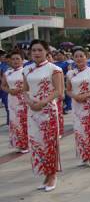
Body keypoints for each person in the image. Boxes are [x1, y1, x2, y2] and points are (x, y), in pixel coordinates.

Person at [22, 40, 63, 192]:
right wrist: (29, 102)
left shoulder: (54, 69)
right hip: (32, 112)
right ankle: (45, 174)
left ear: (46, 51)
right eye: (33, 50)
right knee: (36, 143)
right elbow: (25, 90)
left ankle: (52, 176)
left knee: (49, 143)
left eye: (39, 50)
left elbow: (58, 91)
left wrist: (42, 102)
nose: (36, 53)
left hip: (48, 112)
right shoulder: (27, 70)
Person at [66, 49, 90, 167]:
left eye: (81, 56)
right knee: (79, 131)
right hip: (76, 105)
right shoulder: (70, 73)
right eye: (76, 56)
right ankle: (84, 155)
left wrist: (85, 95)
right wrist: (75, 96)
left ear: (86, 58)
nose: (79, 58)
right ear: (73, 58)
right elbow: (68, 90)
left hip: (89, 105)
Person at [1, 51, 29, 153]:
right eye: (13, 59)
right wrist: (10, 91)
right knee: (15, 122)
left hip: (24, 99)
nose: (15, 61)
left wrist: (21, 89)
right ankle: (19, 143)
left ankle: (26, 144)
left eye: (18, 59)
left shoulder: (27, 71)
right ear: (10, 61)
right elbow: (3, 86)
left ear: (22, 60)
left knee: (24, 121)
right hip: (12, 100)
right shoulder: (7, 72)